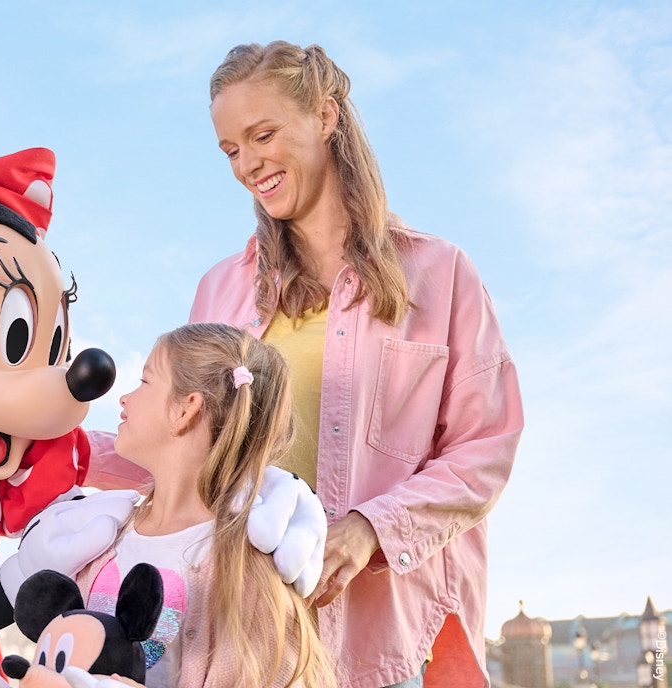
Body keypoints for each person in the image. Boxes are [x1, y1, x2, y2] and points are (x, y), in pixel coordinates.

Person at [193, 41, 525, 688]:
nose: (247, 164)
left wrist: (371, 529)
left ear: (325, 116)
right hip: (246, 639)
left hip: (389, 641)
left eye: (262, 135)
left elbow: (486, 447)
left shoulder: (441, 274)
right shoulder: (218, 292)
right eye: (231, 150)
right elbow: (181, 447)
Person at [71, 322, 335, 688]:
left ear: (186, 409)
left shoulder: (244, 568)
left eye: (145, 381)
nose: (124, 398)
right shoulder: (105, 535)